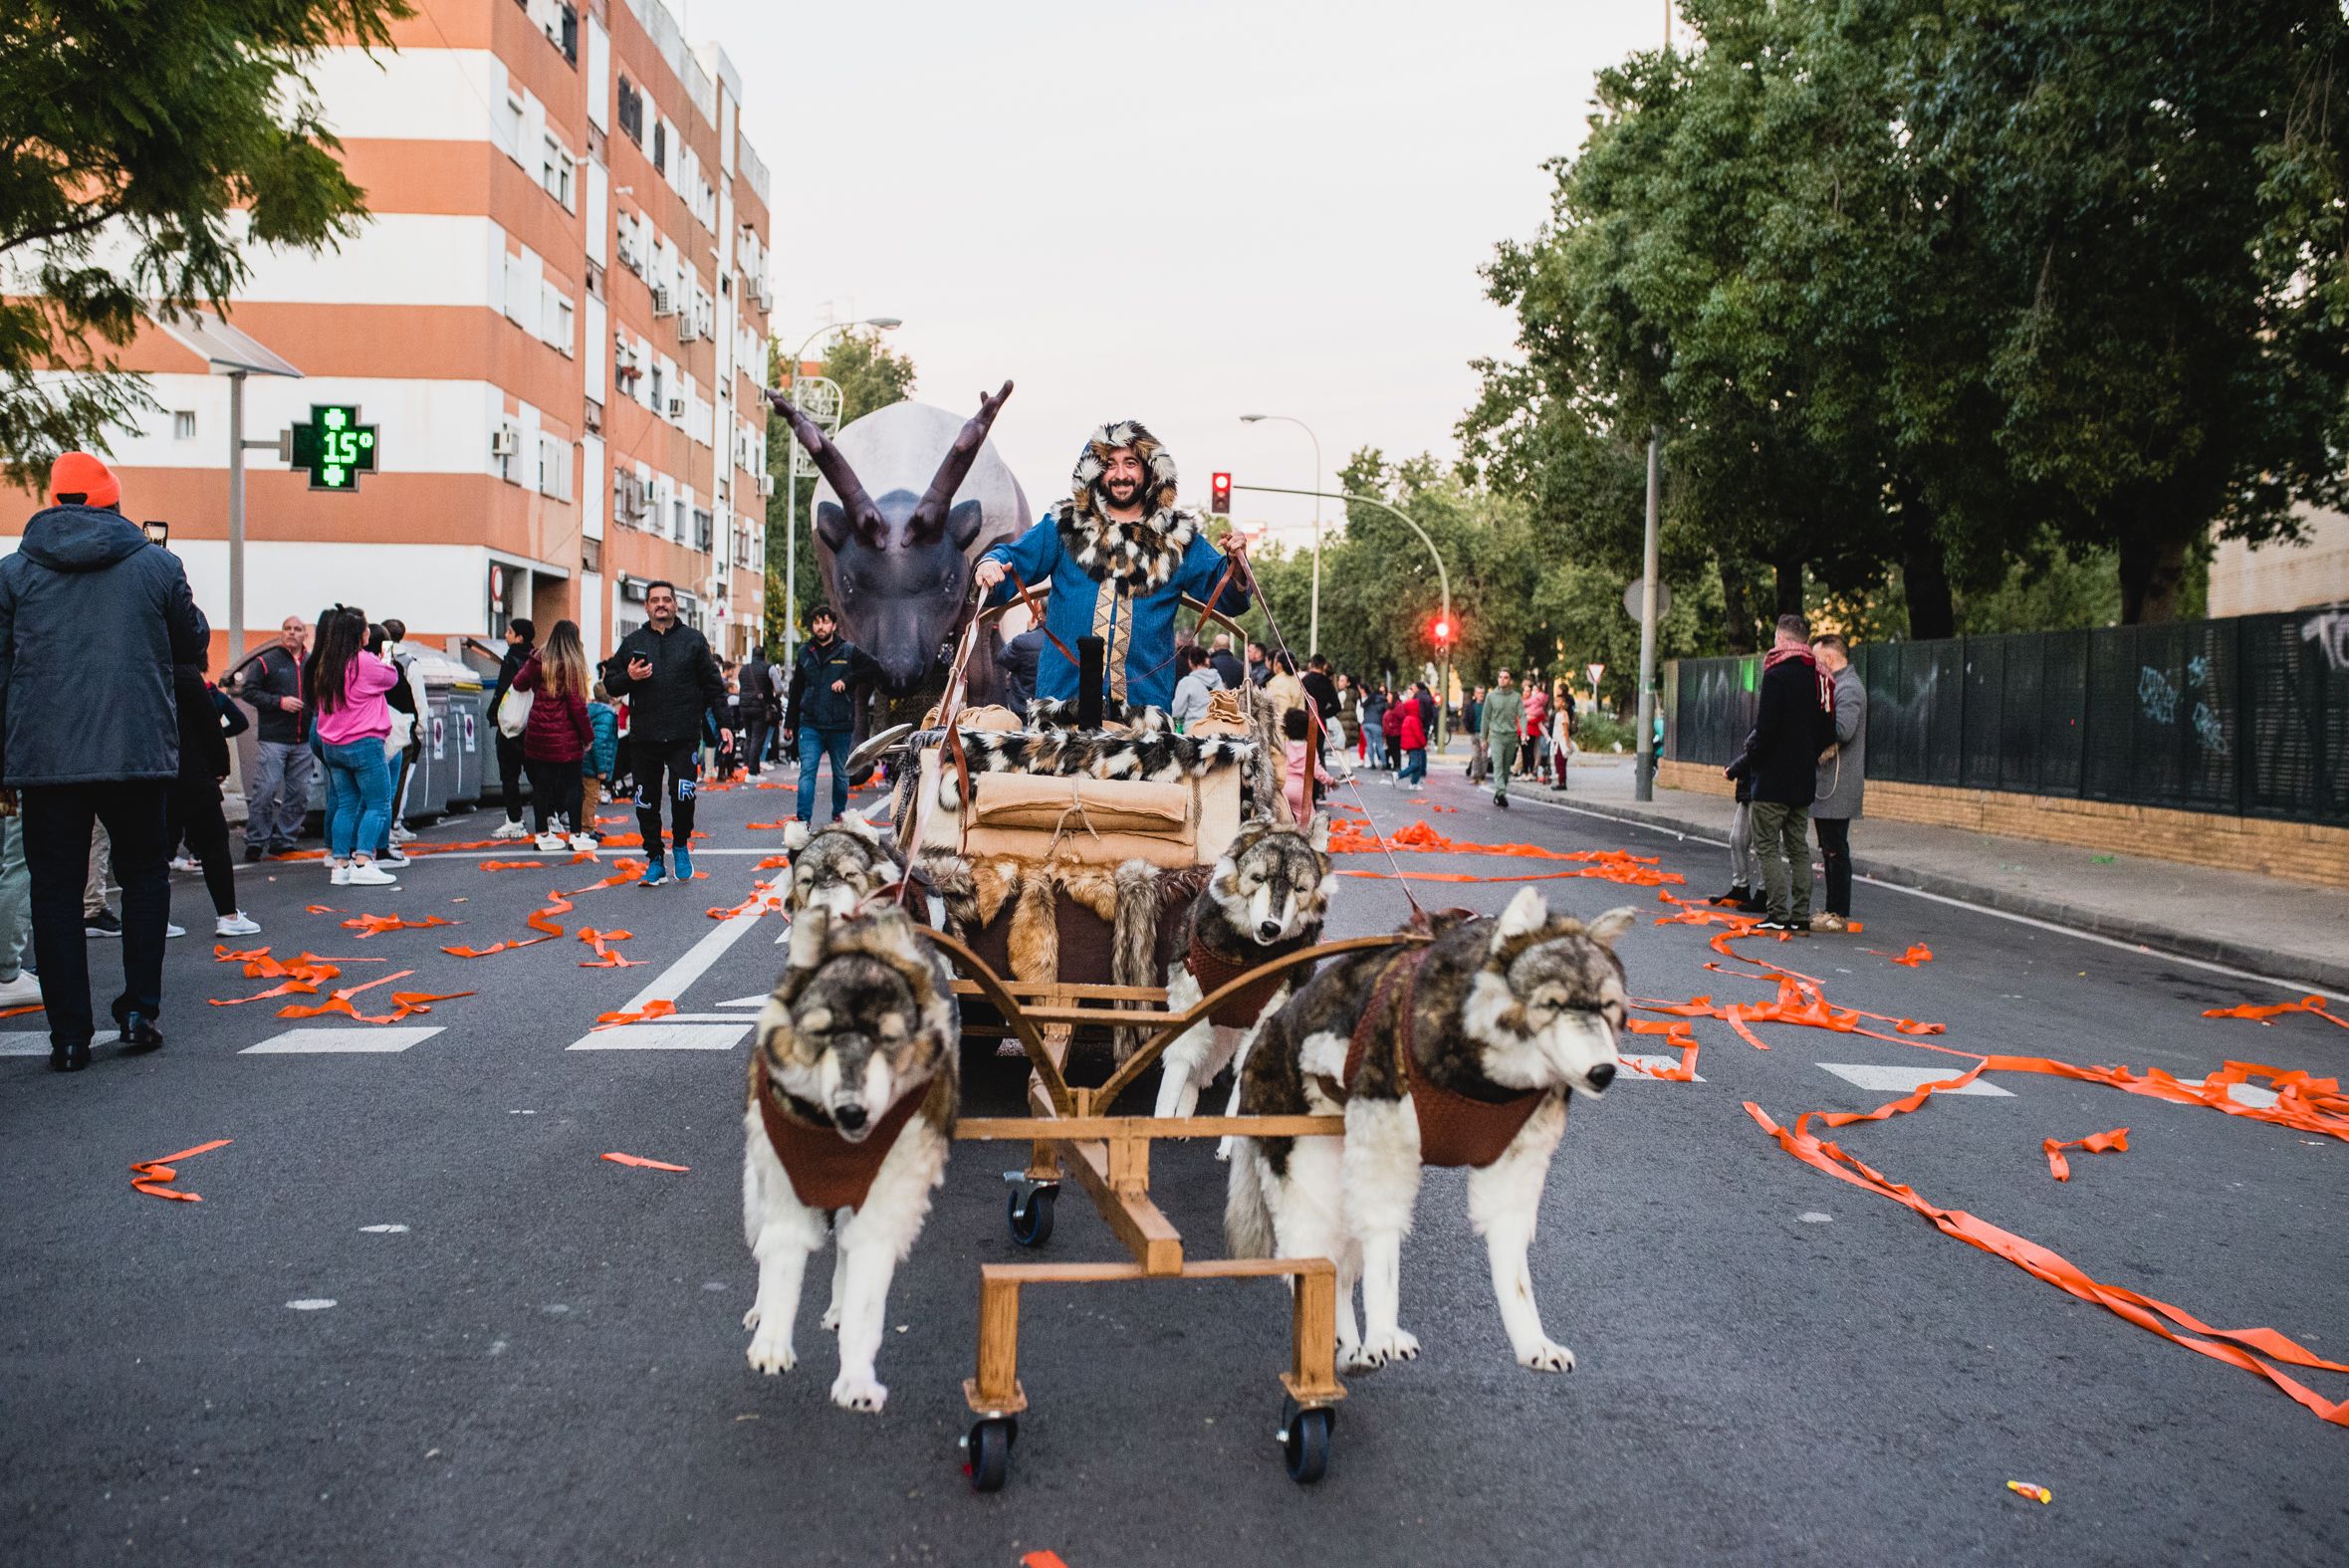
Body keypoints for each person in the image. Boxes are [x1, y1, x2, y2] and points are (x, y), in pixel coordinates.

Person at [0, 452, 206, 1069]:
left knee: (55, 892)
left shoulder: (13, 574)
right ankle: (139, 1012)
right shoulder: (157, 565)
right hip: (135, 750)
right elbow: (190, 644)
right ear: (113, 505)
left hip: (45, 758)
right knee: (144, 875)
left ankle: (69, 1036)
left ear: (54, 503)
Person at [973, 420, 1250, 718]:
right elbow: (1009, 560)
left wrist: (1237, 565)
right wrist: (989, 564)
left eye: (1130, 463)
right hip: (1062, 716)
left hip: (1145, 722)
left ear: (1149, 469)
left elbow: (1229, 599)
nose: (1120, 475)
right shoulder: (1063, 525)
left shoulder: (1176, 537)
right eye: (1109, 464)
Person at [601, 580, 728, 886]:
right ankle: (655, 858)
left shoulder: (694, 641)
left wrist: (725, 724)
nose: (661, 604)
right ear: (646, 606)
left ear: (675, 605)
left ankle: (681, 844)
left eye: (666, 599)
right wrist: (630, 677)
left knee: (683, 794)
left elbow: (714, 686)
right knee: (645, 800)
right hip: (644, 736)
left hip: (684, 734)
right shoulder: (632, 642)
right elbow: (610, 684)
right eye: (655, 600)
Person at [1738, 614, 1831, 933]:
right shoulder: (1820, 677)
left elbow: (1765, 729)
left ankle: (1778, 913)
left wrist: (1754, 756)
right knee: (1798, 847)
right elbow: (1828, 729)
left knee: (1766, 846)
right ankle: (1801, 914)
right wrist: (1808, 753)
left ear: (1781, 639)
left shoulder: (1777, 675)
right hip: (1803, 778)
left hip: (1773, 779)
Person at [310, 607, 401, 887]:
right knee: (378, 803)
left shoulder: (327, 664)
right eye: (365, 629)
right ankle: (363, 860)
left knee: (346, 805)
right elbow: (392, 677)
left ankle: (340, 865)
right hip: (364, 744)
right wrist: (387, 644)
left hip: (333, 745)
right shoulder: (365, 662)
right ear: (359, 635)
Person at [169, 653, 259, 937]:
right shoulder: (187, 678)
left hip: (155, 772)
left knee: (154, 850)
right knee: (214, 844)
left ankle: (153, 918)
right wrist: (219, 766)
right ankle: (228, 915)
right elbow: (210, 726)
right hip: (192, 773)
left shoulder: (143, 672)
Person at [785, 603, 884, 829]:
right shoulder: (804, 653)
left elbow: (874, 668)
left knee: (841, 775)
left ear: (834, 625)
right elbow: (796, 688)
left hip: (840, 725)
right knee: (807, 772)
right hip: (810, 724)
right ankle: (803, 821)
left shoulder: (847, 651)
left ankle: (839, 815)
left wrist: (847, 680)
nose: (820, 627)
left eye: (825, 622)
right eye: (817, 622)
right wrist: (790, 721)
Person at [514, 618, 596, 851]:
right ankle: (577, 836)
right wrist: (588, 737)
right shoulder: (572, 665)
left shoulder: (538, 659)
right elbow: (578, 708)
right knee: (573, 786)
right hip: (565, 737)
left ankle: (542, 835)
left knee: (542, 786)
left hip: (538, 733)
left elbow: (519, 683)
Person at [240, 614, 314, 858]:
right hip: (274, 738)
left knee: (300, 793)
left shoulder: (312, 663)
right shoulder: (266, 661)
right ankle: (256, 840)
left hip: (303, 740)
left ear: (305, 635)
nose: (292, 632)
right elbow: (248, 692)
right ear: (281, 633)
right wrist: (278, 702)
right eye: (287, 628)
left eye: (297, 629)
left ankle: (284, 839)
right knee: (266, 790)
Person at [1808, 633, 1868, 933]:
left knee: (1835, 849)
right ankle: (1832, 909)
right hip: (1828, 780)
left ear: (1830, 658)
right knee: (1828, 846)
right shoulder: (1836, 685)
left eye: (1818, 661)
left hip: (1839, 782)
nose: (1816, 668)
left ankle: (1839, 913)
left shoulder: (1849, 688)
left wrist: (1812, 720)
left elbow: (1843, 730)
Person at [379, 616, 426, 847]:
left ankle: (386, 827)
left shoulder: (379, 660)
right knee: (400, 780)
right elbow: (419, 700)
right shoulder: (409, 663)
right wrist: (420, 728)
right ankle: (394, 825)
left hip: (379, 726)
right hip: (403, 728)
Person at [488, 617, 536, 840]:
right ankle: (550, 817)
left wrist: (493, 713)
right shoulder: (536, 658)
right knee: (538, 774)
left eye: (509, 631)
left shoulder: (511, 660)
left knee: (509, 774)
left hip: (511, 726)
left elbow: (503, 691)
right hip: (533, 723)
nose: (506, 635)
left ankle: (514, 820)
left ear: (519, 637)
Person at [584, 682, 621, 843]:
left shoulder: (592, 710)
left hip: (584, 762)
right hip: (591, 765)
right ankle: (586, 829)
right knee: (590, 797)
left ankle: (588, 827)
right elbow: (599, 743)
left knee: (587, 796)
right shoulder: (606, 714)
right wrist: (601, 768)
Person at [1482, 668, 1525, 807]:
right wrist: (1483, 738)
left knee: (1506, 769)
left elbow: (1522, 715)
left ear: (1510, 680)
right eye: (1500, 677)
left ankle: (1499, 794)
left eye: (1506, 677)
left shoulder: (1516, 697)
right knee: (1498, 765)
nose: (1502, 679)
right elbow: (1485, 718)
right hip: (1496, 736)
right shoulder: (1491, 697)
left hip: (1511, 737)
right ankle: (1501, 792)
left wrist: (1524, 731)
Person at [739, 647, 776, 777]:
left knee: (749, 737)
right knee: (757, 738)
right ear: (763, 656)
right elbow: (779, 687)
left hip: (743, 706)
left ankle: (746, 765)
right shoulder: (769, 668)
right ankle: (753, 772)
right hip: (760, 706)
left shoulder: (743, 669)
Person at [1169, 643, 1222, 730]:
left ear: (1190, 662)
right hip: (1217, 729)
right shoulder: (1217, 678)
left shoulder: (1186, 682)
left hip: (1194, 730)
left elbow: (1177, 712)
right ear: (1207, 660)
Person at [995, 624, 1045, 716]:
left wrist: (1029, 631)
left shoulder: (1023, 641)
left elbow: (1002, 658)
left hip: (1025, 709)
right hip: (1058, 710)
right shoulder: (1069, 640)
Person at [1301, 654, 1340, 734]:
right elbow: (1337, 706)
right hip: (1320, 721)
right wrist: (1322, 714)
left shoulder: (1304, 680)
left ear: (1311, 664)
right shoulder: (1327, 683)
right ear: (1324, 666)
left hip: (1305, 720)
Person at [1396, 693, 1428, 786]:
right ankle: (1399, 775)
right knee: (1415, 764)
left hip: (1411, 745)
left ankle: (1414, 783)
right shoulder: (1414, 719)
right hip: (1415, 745)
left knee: (1417, 764)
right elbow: (1418, 733)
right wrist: (1424, 743)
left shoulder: (1408, 718)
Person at [1464, 685, 1488, 783]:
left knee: (1484, 756)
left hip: (1484, 734)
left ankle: (1482, 776)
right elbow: (1466, 719)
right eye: (1478, 693)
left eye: (1482, 693)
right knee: (1476, 755)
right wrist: (1470, 730)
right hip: (1474, 733)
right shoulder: (1471, 706)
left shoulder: (1486, 706)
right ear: (1475, 694)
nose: (1481, 695)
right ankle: (1475, 776)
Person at [1380, 691, 1404, 774]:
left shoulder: (1397, 706)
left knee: (1395, 750)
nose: (1387, 698)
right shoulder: (1391, 706)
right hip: (1389, 732)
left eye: (1389, 696)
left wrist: (1391, 724)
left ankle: (1397, 766)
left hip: (1395, 732)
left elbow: (1401, 716)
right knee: (1390, 749)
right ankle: (1391, 765)